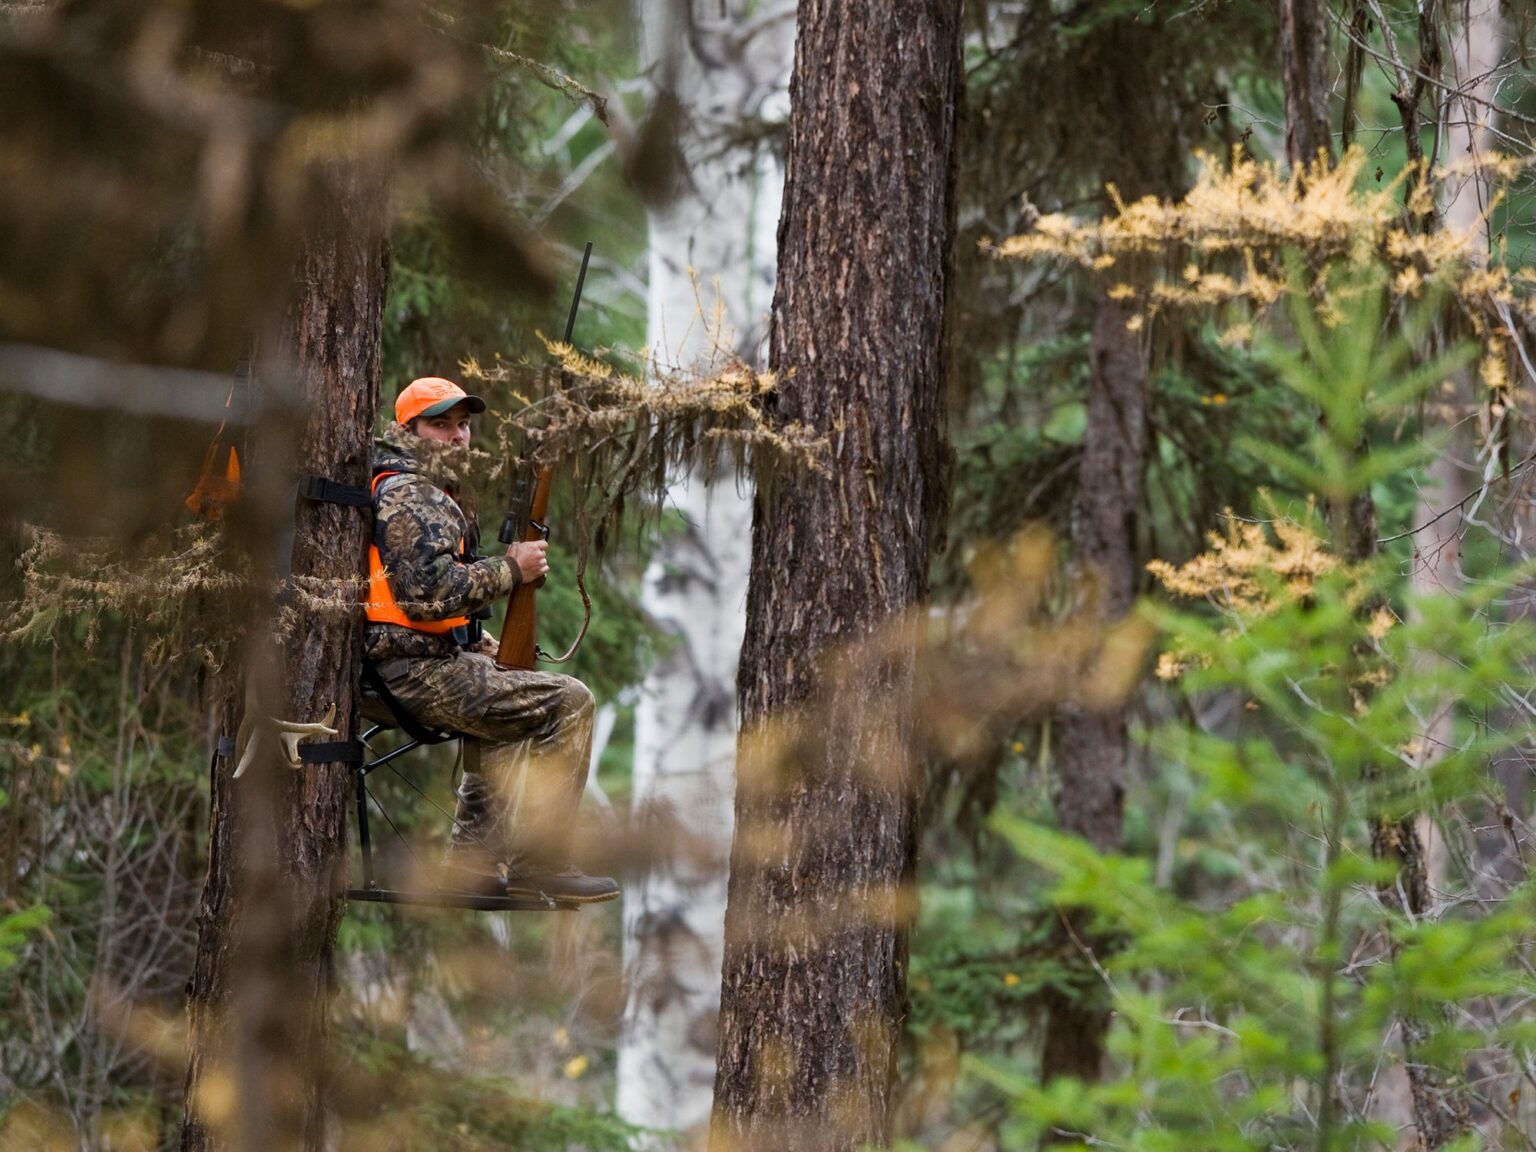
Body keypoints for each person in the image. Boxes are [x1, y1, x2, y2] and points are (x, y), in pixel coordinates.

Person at [363, 375, 619, 904]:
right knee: (570, 702)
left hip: (410, 662)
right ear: (408, 431)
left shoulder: (429, 488)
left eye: (463, 425)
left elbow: (415, 604)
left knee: (510, 688)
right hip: (402, 674)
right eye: (441, 425)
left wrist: (479, 644)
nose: (458, 437)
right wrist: (510, 569)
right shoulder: (411, 493)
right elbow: (427, 595)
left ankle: (471, 865)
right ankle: (541, 863)